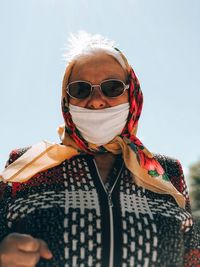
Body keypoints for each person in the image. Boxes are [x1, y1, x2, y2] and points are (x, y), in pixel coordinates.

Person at [0, 31, 199, 267]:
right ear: (66, 100)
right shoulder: (23, 166)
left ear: (132, 95)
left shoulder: (168, 172)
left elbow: (192, 256)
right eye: (81, 90)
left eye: (112, 87)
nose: (96, 100)